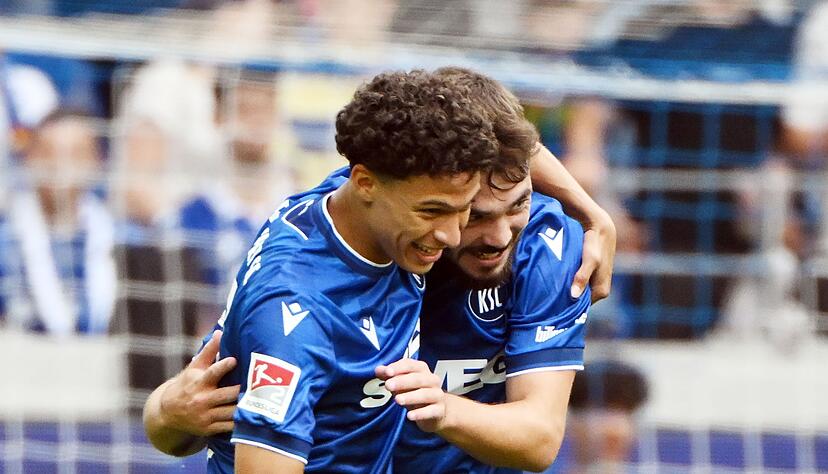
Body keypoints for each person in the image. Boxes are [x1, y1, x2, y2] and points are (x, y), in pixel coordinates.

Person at [144, 68, 617, 472]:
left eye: (517, 205)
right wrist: (164, 414)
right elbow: (183, 427)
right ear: (367, 184)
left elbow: (538, 439)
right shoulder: (302, 306)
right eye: (461, 213)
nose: (459, 233)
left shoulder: (412, 198)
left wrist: (592, 211)